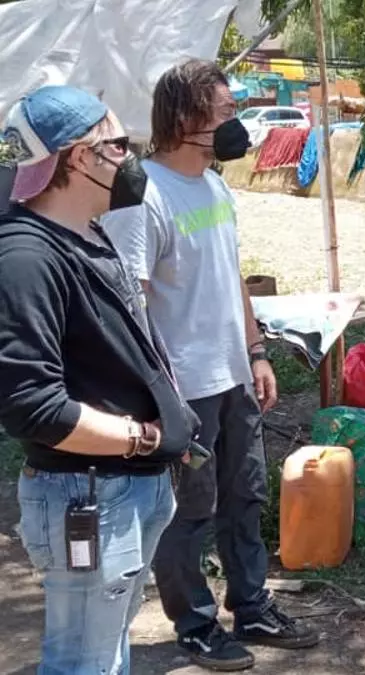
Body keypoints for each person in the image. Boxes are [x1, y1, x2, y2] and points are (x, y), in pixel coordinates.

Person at [102, 59, 317, 671]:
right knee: (189, 512)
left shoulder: (217, 188)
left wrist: (256, 353)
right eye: (225, 112)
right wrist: (159, 395)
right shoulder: (141, 194)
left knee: (245, 497)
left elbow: (232, 277)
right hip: (184, 391)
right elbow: (132, 304)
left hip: (234, 379)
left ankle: (251, 606)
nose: (235, 123)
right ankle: (194, 623)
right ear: (184, 118)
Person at [0, 85, 199, 674]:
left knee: (104, 655)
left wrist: (171, 429)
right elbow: (31, 406)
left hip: (123, 487)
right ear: (79, 158)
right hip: (87, 495)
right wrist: (144, 438)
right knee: (81, 664)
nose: (130, 158)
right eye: (119, 144)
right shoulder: (27, 259)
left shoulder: (90, 231)